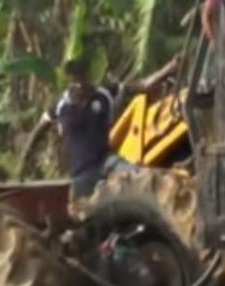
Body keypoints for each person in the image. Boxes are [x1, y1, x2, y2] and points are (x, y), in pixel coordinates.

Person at [41, 57, 175, 200]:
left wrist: (168, 69)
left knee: (142, 177)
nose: (79, 85)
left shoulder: (103, 94)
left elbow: (140, 84)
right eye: (74, 81)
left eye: (81, 79)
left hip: (107, 161)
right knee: (81, 212)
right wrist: (26, 154)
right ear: (69, 82)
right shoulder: (61, 107)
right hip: (82, 172)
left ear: (88, 77)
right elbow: (41, 126)